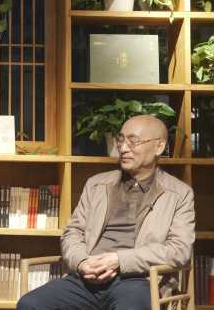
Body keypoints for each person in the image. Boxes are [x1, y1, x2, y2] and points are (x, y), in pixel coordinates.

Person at [17, 115, 195, 310]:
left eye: (133, 141)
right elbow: (72, 233)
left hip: (138, 280)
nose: (123, 148)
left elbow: (180, 250)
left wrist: (119, 260)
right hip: (86, 278)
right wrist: (82, 262)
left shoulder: (179, 194)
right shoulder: (96, 184)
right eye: (121, 140)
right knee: (30, 304)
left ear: (159, 147)